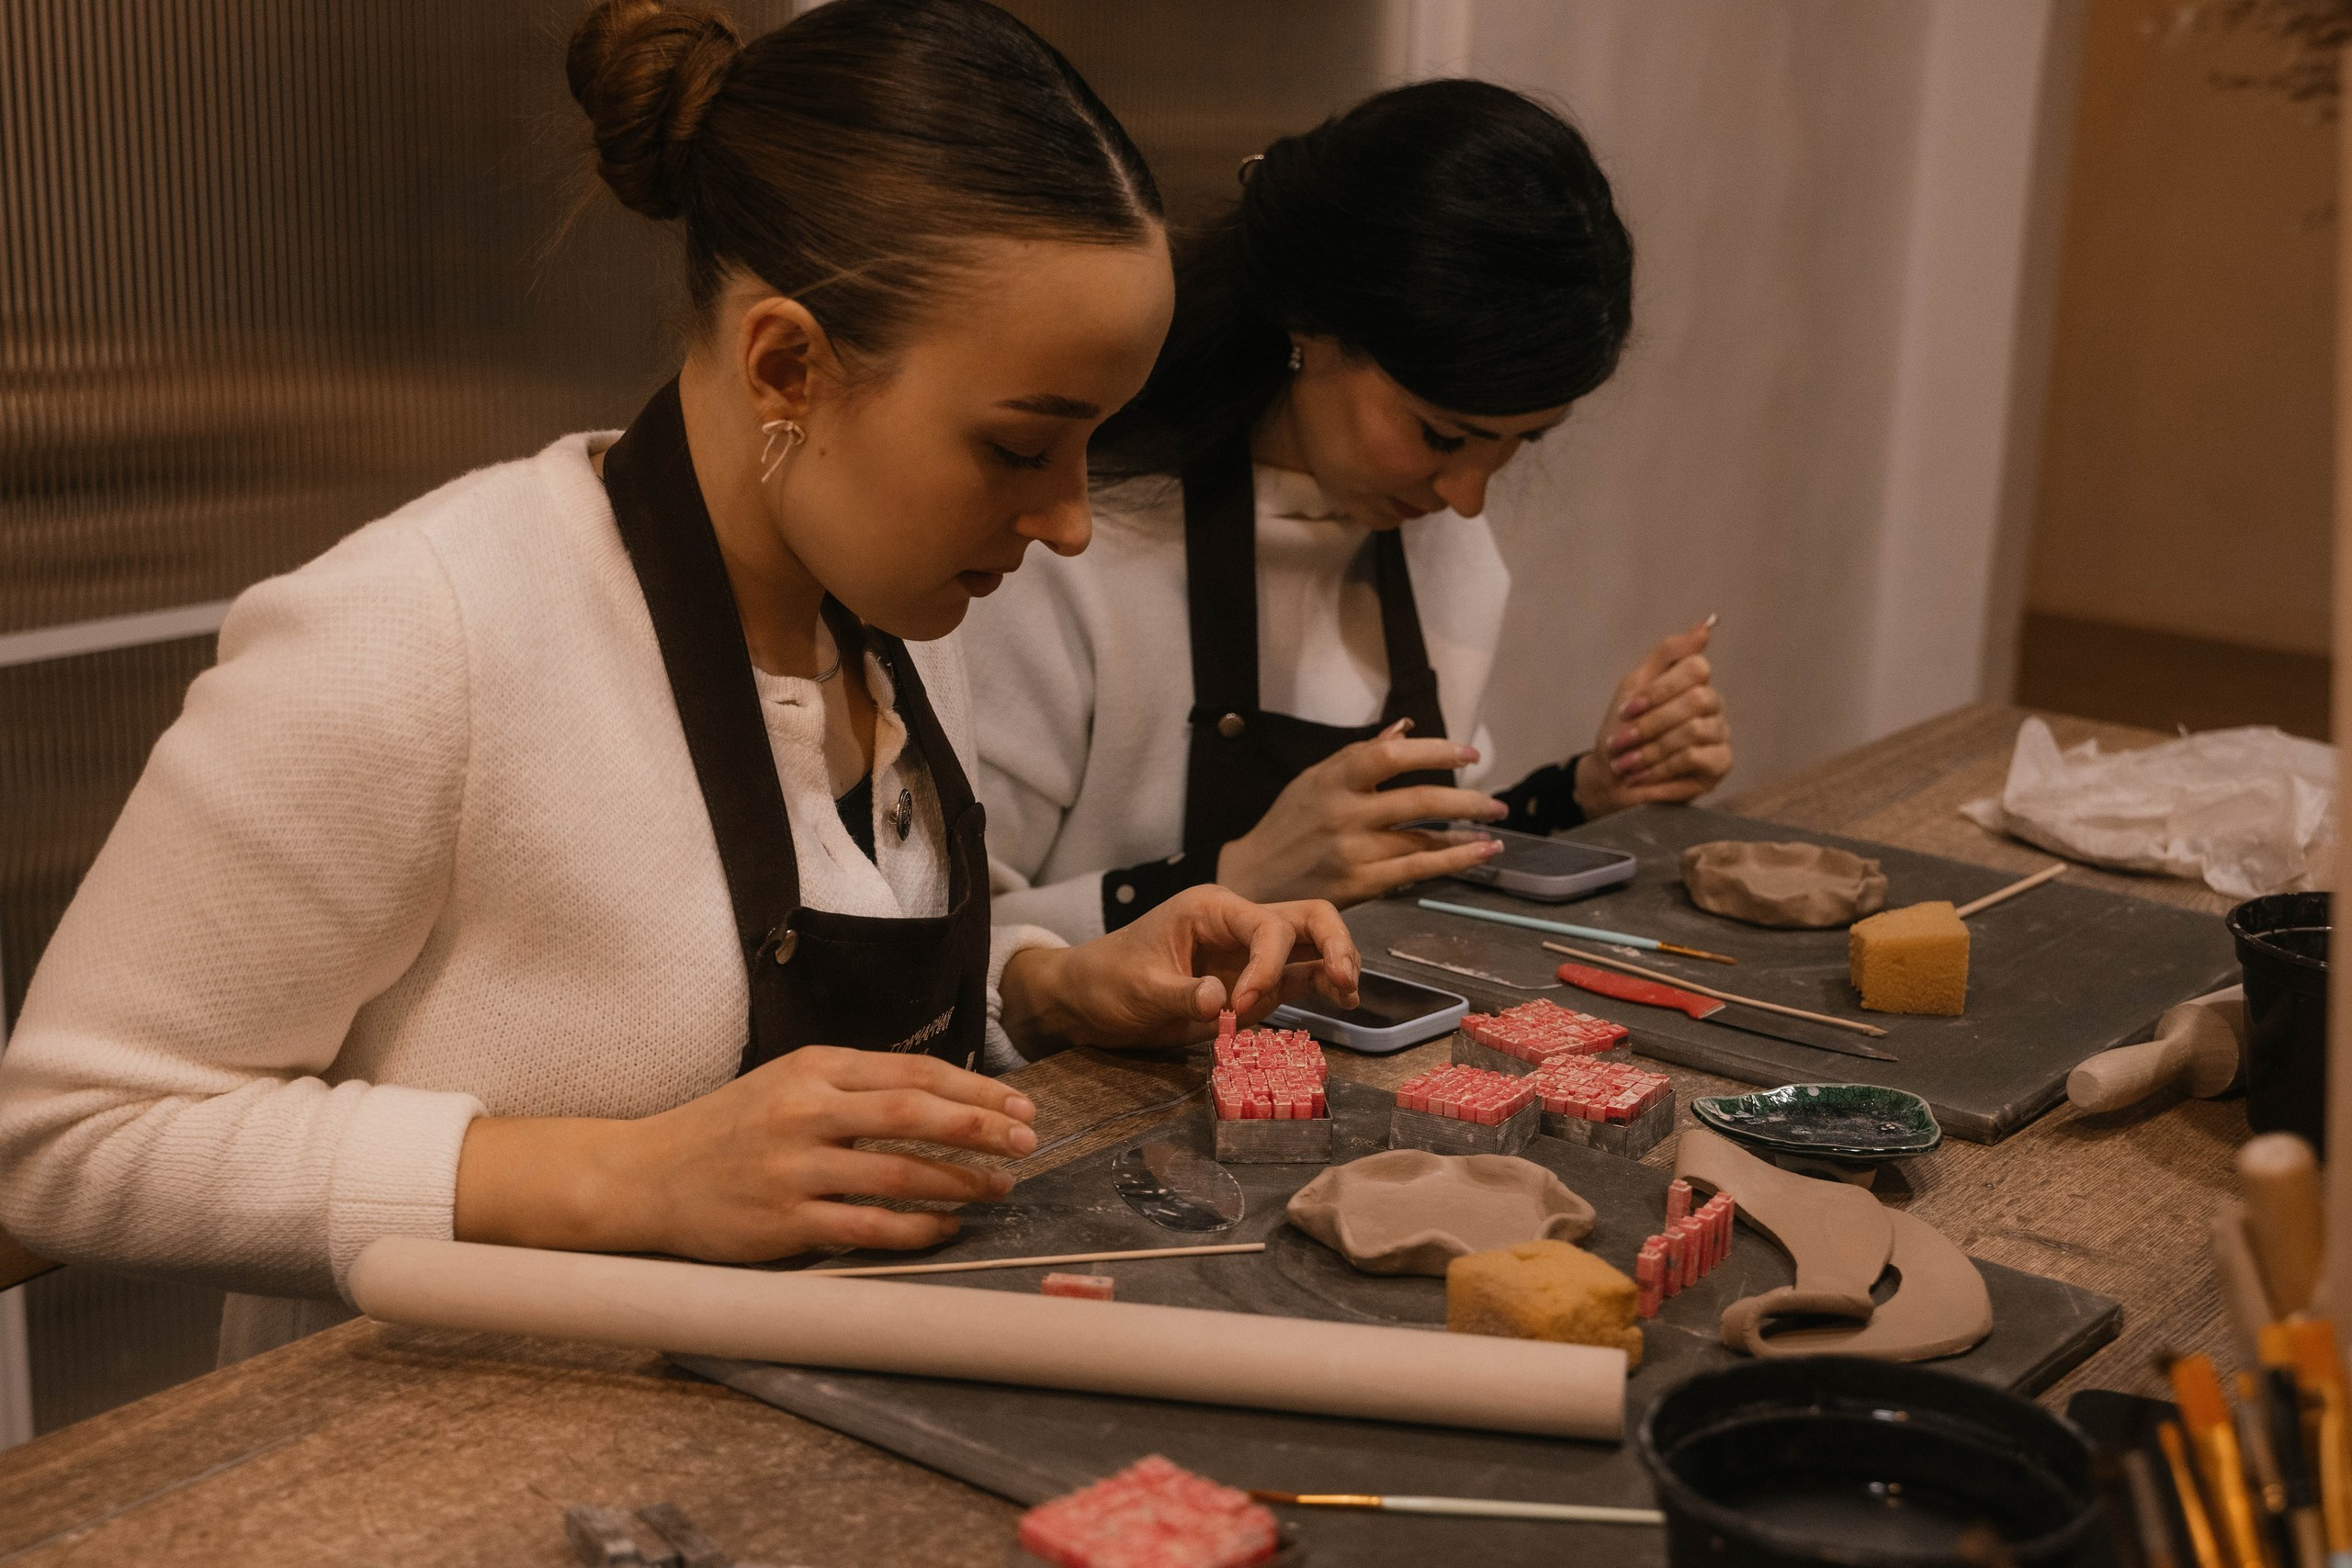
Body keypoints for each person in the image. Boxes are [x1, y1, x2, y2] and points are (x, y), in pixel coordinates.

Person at [0, 0, 1356, 1361]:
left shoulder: (863, 616)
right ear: (787, 364)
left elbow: (751, 973)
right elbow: (68, 1138)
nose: (1067, 522)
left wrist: (1045, 985)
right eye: (1017, 448)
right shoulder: (421, 635)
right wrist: (624, 1175)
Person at [966, 80, 1734, 941]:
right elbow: (951, 957)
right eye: (1444, 436)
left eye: (1522, 443)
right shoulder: (1067, 546)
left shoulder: (1444, 547)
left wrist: (1589, 791)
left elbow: (1420, 858)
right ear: (1312, 322)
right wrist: (1241, 878)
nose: (1468, 497)